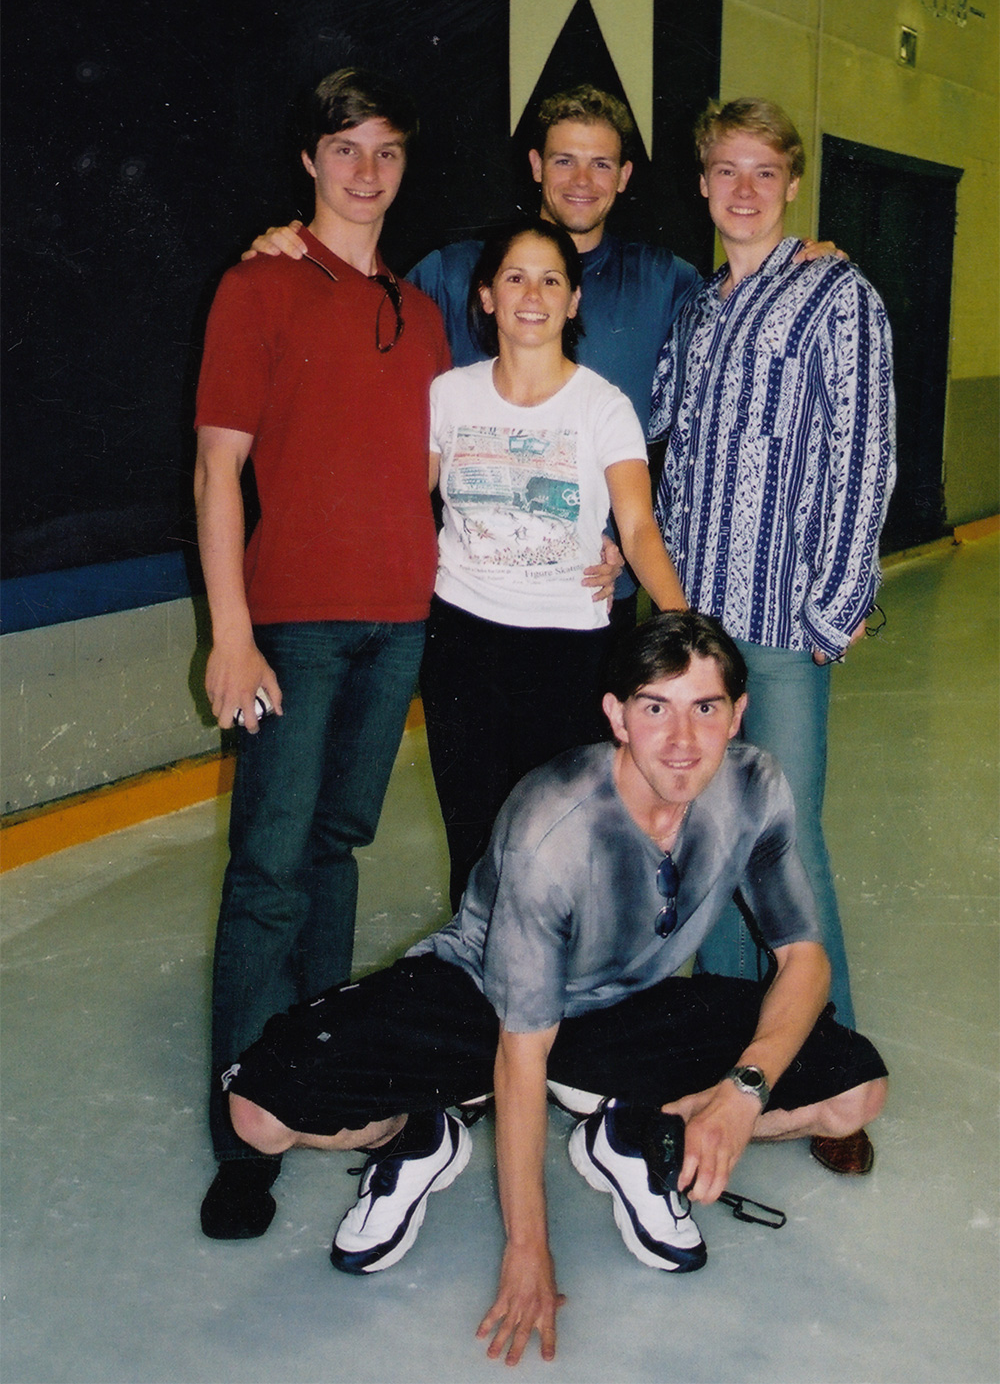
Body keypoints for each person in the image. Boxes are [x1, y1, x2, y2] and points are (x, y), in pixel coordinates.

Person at [219, 611, 888, 1366]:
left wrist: (744, 1090)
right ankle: (414, 1131)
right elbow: (521, 1050)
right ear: (617, 717)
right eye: (655, 707)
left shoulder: (754, 785)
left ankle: (634, 1132)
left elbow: (805, 959)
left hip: (624, 1008)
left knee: (854, 1095)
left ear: (737, 715)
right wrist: (528, 1248)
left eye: (705, 707)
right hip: (482, 999)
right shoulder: (554, 824)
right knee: (258, 1113)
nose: (682, 738)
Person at [247, 83, 842, 630]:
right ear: (535, 166)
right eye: (564, 160)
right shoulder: (457, 273)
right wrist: (296, 250)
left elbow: (742, 314)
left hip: (597, 589)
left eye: (600, 163)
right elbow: (358, 319)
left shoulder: (667, 282)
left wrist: (804, 262)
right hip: (472, 590)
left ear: (624, 176)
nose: (582, 180)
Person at [193, 68, 451, 1241]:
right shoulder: (258, 285)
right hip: (292, 626)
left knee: (336, 851)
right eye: (345, 148)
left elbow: (440, 471)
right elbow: (217, 469)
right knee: (269, 870)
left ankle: (318, 1081)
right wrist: (231, 631)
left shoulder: (421, 310)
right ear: (309, 159)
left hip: (398, 621)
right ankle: (244, 1131)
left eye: (385, 150)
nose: (366, 170)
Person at [649, 100, 895, 1081]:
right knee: (706, 832)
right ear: (703, 184)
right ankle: (730, 1053)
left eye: (763, 171)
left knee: (783, 840)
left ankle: (829, 1064)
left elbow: (864, 454)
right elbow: (663, 442)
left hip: (781, 625)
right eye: (726, 170)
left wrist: (834, 605)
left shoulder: (838, 295)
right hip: (693, 631)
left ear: (792, 183)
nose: (743, 189)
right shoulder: (697, 308)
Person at [422, 218, 686, 909]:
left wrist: (685, 631)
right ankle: (485, 971)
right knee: (476, 846)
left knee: (565, 848)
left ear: (573, 301)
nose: (532, 295)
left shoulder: (604, 406)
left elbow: (637, 528)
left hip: (570, 653)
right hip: (463, 646)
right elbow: (401, 502)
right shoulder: (448, 395)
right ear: (487, 296)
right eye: (515, 278)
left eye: (550, 280)